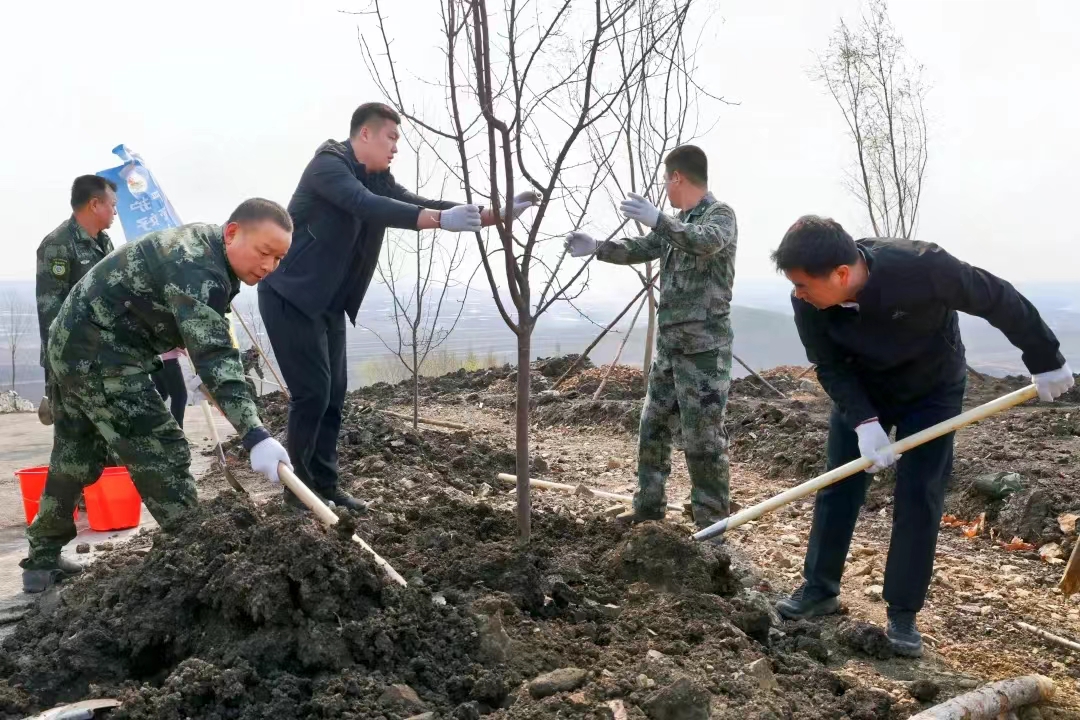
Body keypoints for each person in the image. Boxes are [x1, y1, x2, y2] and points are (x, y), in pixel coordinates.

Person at [769, 215, 1074, 657]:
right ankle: (819, 588)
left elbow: (997, 297)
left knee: (920, 493)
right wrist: (862, 422)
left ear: (840, 274)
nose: (797, 293)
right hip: (863, 389)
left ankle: (903, 612)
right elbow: (829, 365)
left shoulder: (922, 265)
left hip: (930, 390)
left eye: (803, 284)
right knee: (839, 484)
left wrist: (1045, 357)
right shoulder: (807, 302)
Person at [259, 102, 538, 511]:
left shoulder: (377, 178)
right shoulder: (327, 168)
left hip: (329, 305)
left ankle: (326, 485)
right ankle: (298, 495)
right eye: (391, 138)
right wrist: (438, 221)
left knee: (334, 395)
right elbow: (366, 205)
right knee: (312, 394)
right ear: (366, 134)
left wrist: (495, 214)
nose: (395, 148)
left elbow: (418, 201)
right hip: (290, 297)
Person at [21, 198, 295, 593]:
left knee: (76, 456)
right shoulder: (198, 266)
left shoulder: (206, 251)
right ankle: (202, 562)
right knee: (161, 450)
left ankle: (41, 560)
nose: (269, 266)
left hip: (76, 346)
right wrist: (254, 434)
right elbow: (215, 356)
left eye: (279, 259)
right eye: (265, 252)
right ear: (233, 232)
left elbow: (205, 340)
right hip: (101, 353)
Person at [564, 144, 738, 531]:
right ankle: (648, 509)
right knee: (653, 427)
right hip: (671, 347)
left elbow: (705, 241)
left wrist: (659, 219)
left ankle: (712, 526)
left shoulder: (719, 215)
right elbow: (643, 247)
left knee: (703, 440)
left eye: (666, 180)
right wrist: (598, 248)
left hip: (704, 352)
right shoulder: (678, 221)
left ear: (677, 177)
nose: (665, 187)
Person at [35, 176, 118, 425]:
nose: (115, 211)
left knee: (111, 444)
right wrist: (67, 367)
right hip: (73, 366)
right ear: (94, 204)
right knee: (76, 448)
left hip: (103, 361)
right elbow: (51, 313)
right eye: (112, 204)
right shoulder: (58, 245)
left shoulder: (104, 243)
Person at [151, 348, 188, 427]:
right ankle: (176, 431)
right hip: (168, 361)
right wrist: (183, 349)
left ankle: (152, 428)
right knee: (179, 396)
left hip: (155, 360)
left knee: (160, 395)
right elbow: (169, 338)